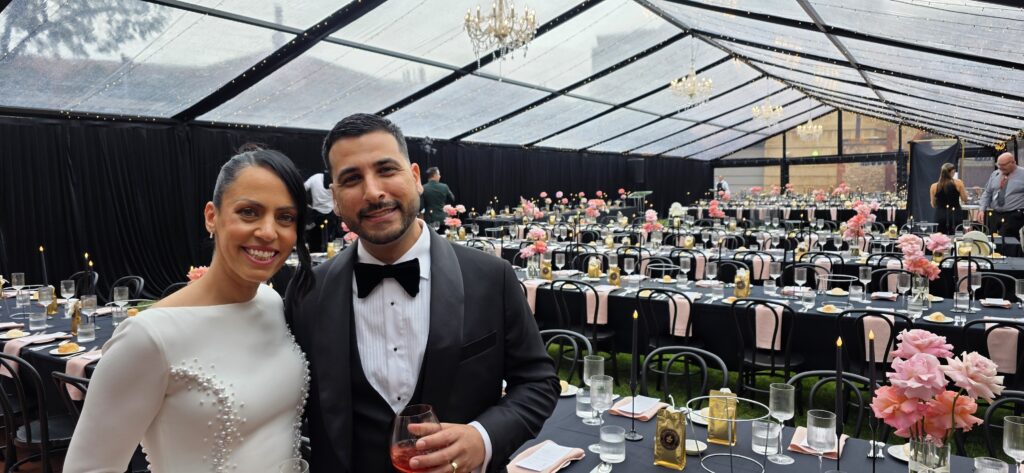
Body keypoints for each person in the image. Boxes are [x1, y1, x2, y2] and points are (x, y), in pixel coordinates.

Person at [291, 113, 558, 473]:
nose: (373, 192)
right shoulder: (307, 292)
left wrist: (482, 438)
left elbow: (538, 382)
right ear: (335, 198)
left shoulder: (491, 277)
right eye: (352, 179)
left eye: (386, 170)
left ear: (415, 177)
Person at [64, 149, 315, 472]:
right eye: (249, 212)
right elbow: (88, 467)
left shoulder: (271, 302)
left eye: (285, 217)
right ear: (212, 216)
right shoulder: (149, 336)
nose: (268, 232)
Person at [980, 152, 1024, 237]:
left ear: (1013, 162)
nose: (1000, 168)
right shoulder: (995, 174)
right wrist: (982, 209)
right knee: (993, 238)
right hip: (995, 214)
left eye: (1003, 165)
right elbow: (987, 193)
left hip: (1014, 215)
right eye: (998, 165)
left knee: (1006, 239)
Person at [930, 162, 968, 234]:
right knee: (956, 236)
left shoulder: (934, 186)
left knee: (939, 238)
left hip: (940, 215)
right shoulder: (959, 183)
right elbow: (965, 199)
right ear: (952, 172)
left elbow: (933, 204)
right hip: (955, 215)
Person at [305, 171, 338, 249]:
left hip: (318, 214)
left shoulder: (315, 177)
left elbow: (302, 188)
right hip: (329, 214)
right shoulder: (334, 180)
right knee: (329, 241)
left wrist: (305, 204)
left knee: (316, 241)